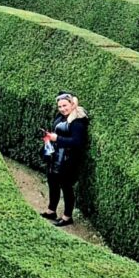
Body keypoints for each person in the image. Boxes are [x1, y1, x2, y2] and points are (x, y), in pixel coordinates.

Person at [40, 92, 89, 226]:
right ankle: (51, 210)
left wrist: (58, 139)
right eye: (60, 106)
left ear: (72, 104)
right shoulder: (61, 116)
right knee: (53, 182)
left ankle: (67, 217)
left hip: (68, 159)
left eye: (65, 105)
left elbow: (78, 142)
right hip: (55, 155)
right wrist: (49, 137)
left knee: (66, 186)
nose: (62, 109)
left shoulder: (78, 121)